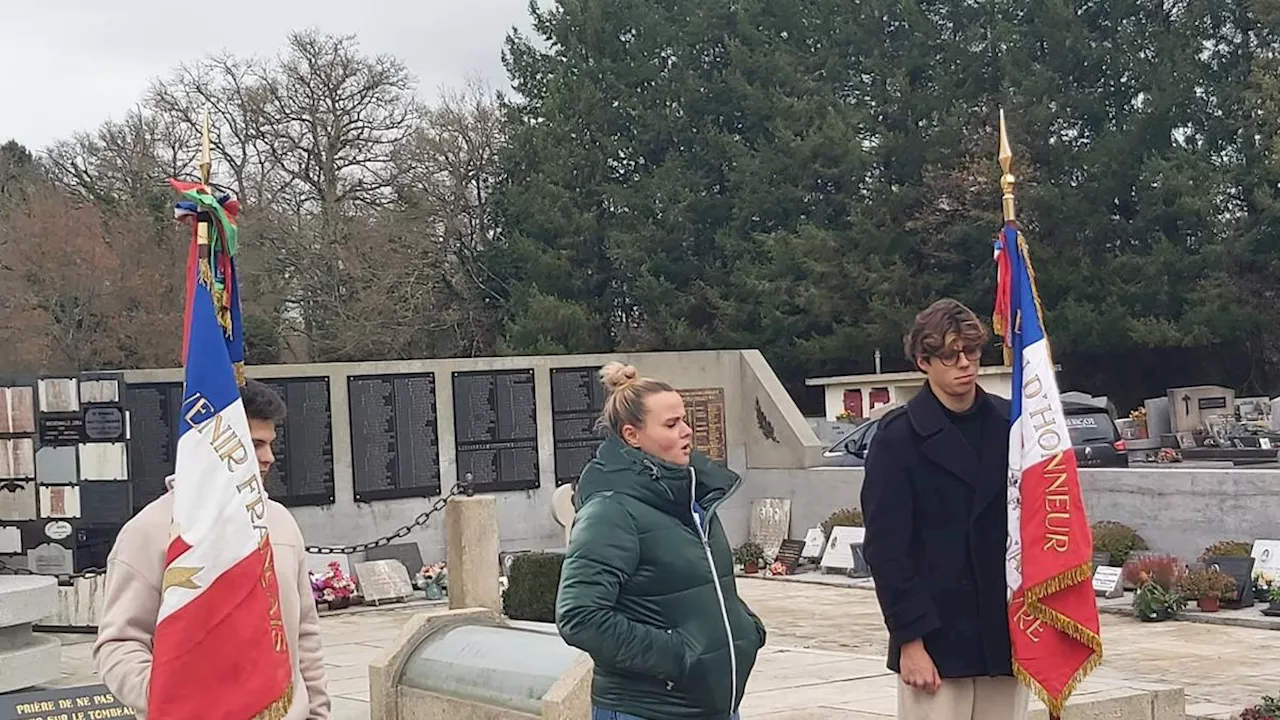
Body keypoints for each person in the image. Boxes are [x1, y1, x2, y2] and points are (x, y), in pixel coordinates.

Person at [94, 379, 330, 719]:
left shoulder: (279, 523)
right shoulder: (150, 531)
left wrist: (317, 713)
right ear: (215, 446)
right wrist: (176, 701)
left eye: (270, 444)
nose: (269, 458)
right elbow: (119, 644)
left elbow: (305, 633)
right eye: (255, 445)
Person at [556, 362, 766, 720]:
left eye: (684, 420)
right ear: (632, 435)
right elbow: (579, 615)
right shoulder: (611, 510)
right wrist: (678, 655)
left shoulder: (693, 499)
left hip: (712, 707)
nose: (687, 432)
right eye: (671, 424)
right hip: (647, 710)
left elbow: (704, 586)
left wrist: (744, 628)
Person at [861, 299, 1027, 720]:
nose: (965, 364)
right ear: (924, 361)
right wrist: (910, 642)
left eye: (971, 352)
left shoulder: (1011, 423)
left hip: (1003, 633)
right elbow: (887, 551)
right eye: (950, 356)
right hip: (936, 638)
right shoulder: (897, 439)